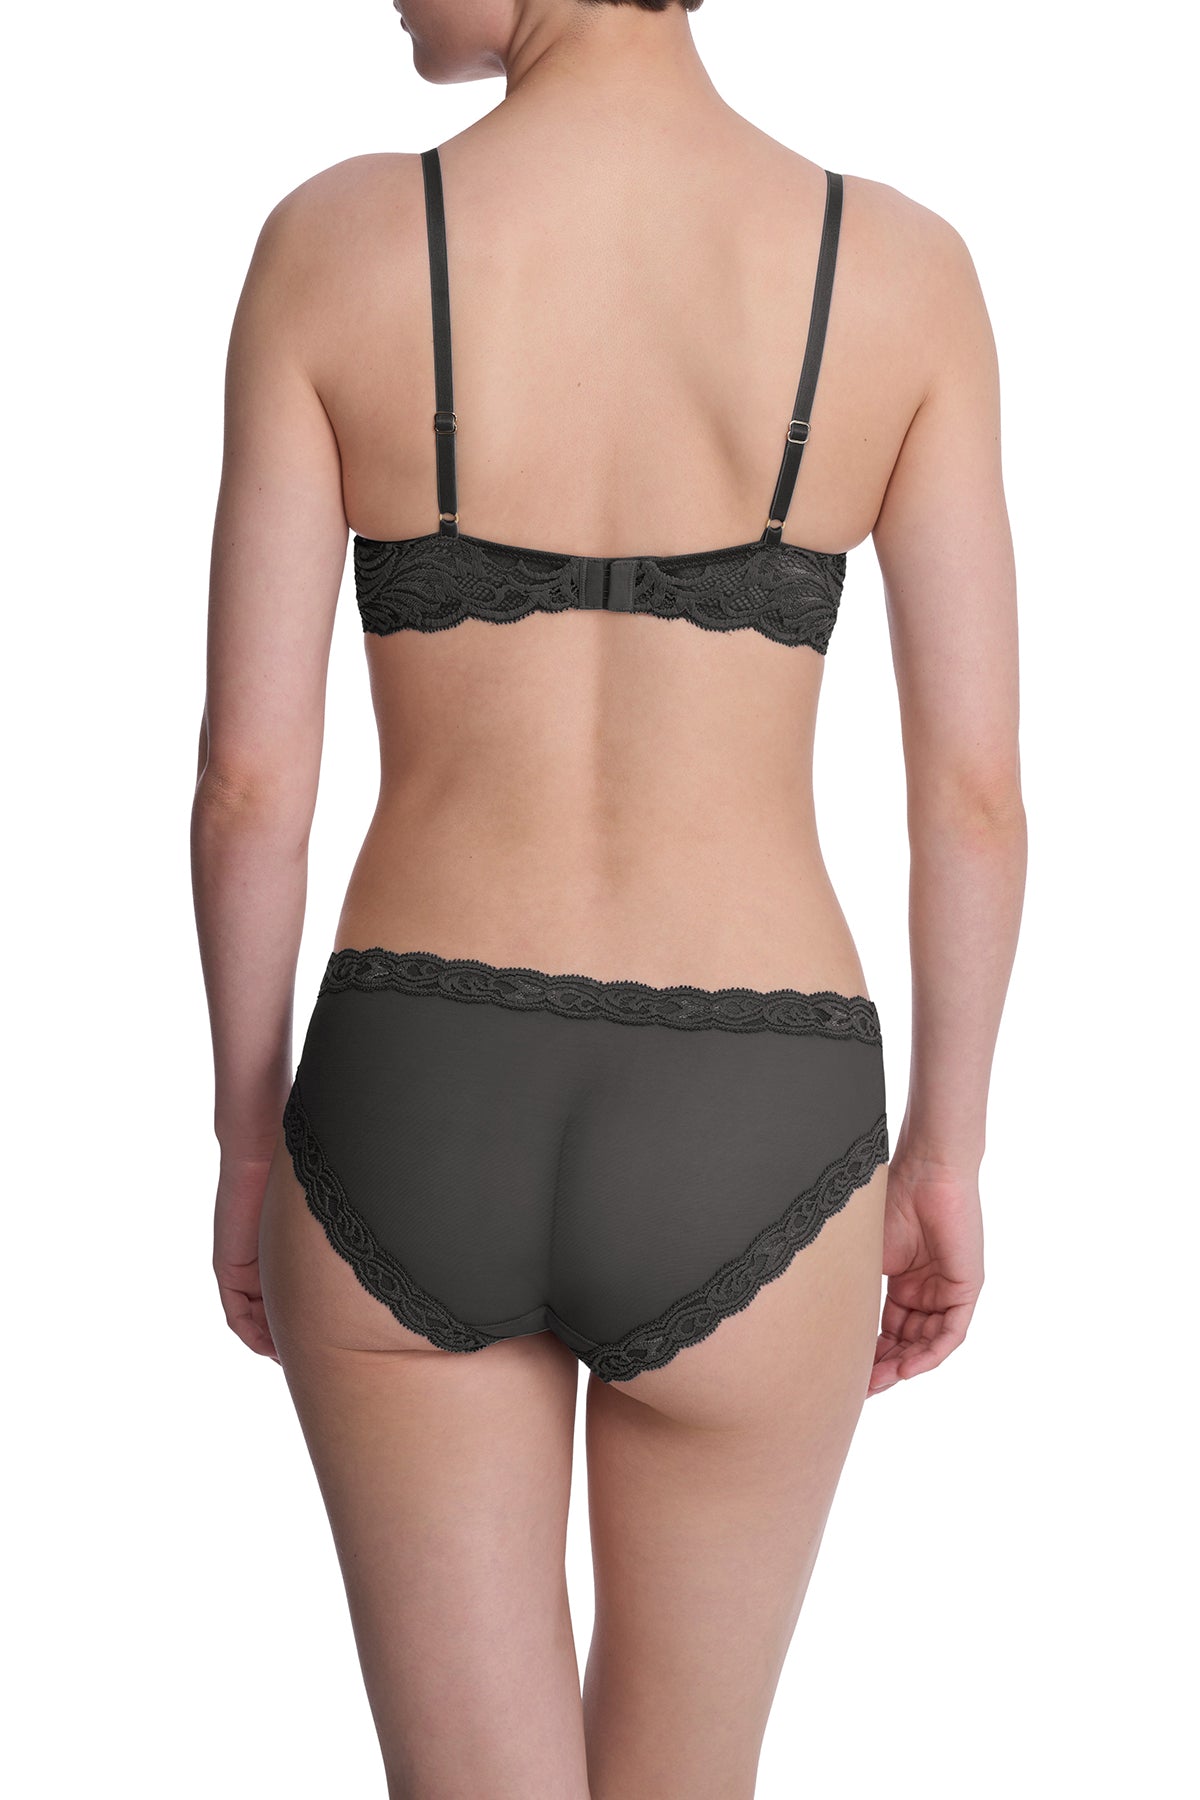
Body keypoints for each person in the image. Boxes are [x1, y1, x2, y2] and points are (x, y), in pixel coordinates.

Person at [190, 1, 1027, 1793]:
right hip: (761, 1109)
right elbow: (970, 794)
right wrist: (945, 1156)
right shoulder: (898, 271)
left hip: (415, 1088)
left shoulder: (334, 243)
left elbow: (251, 779)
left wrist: (249, 1139)